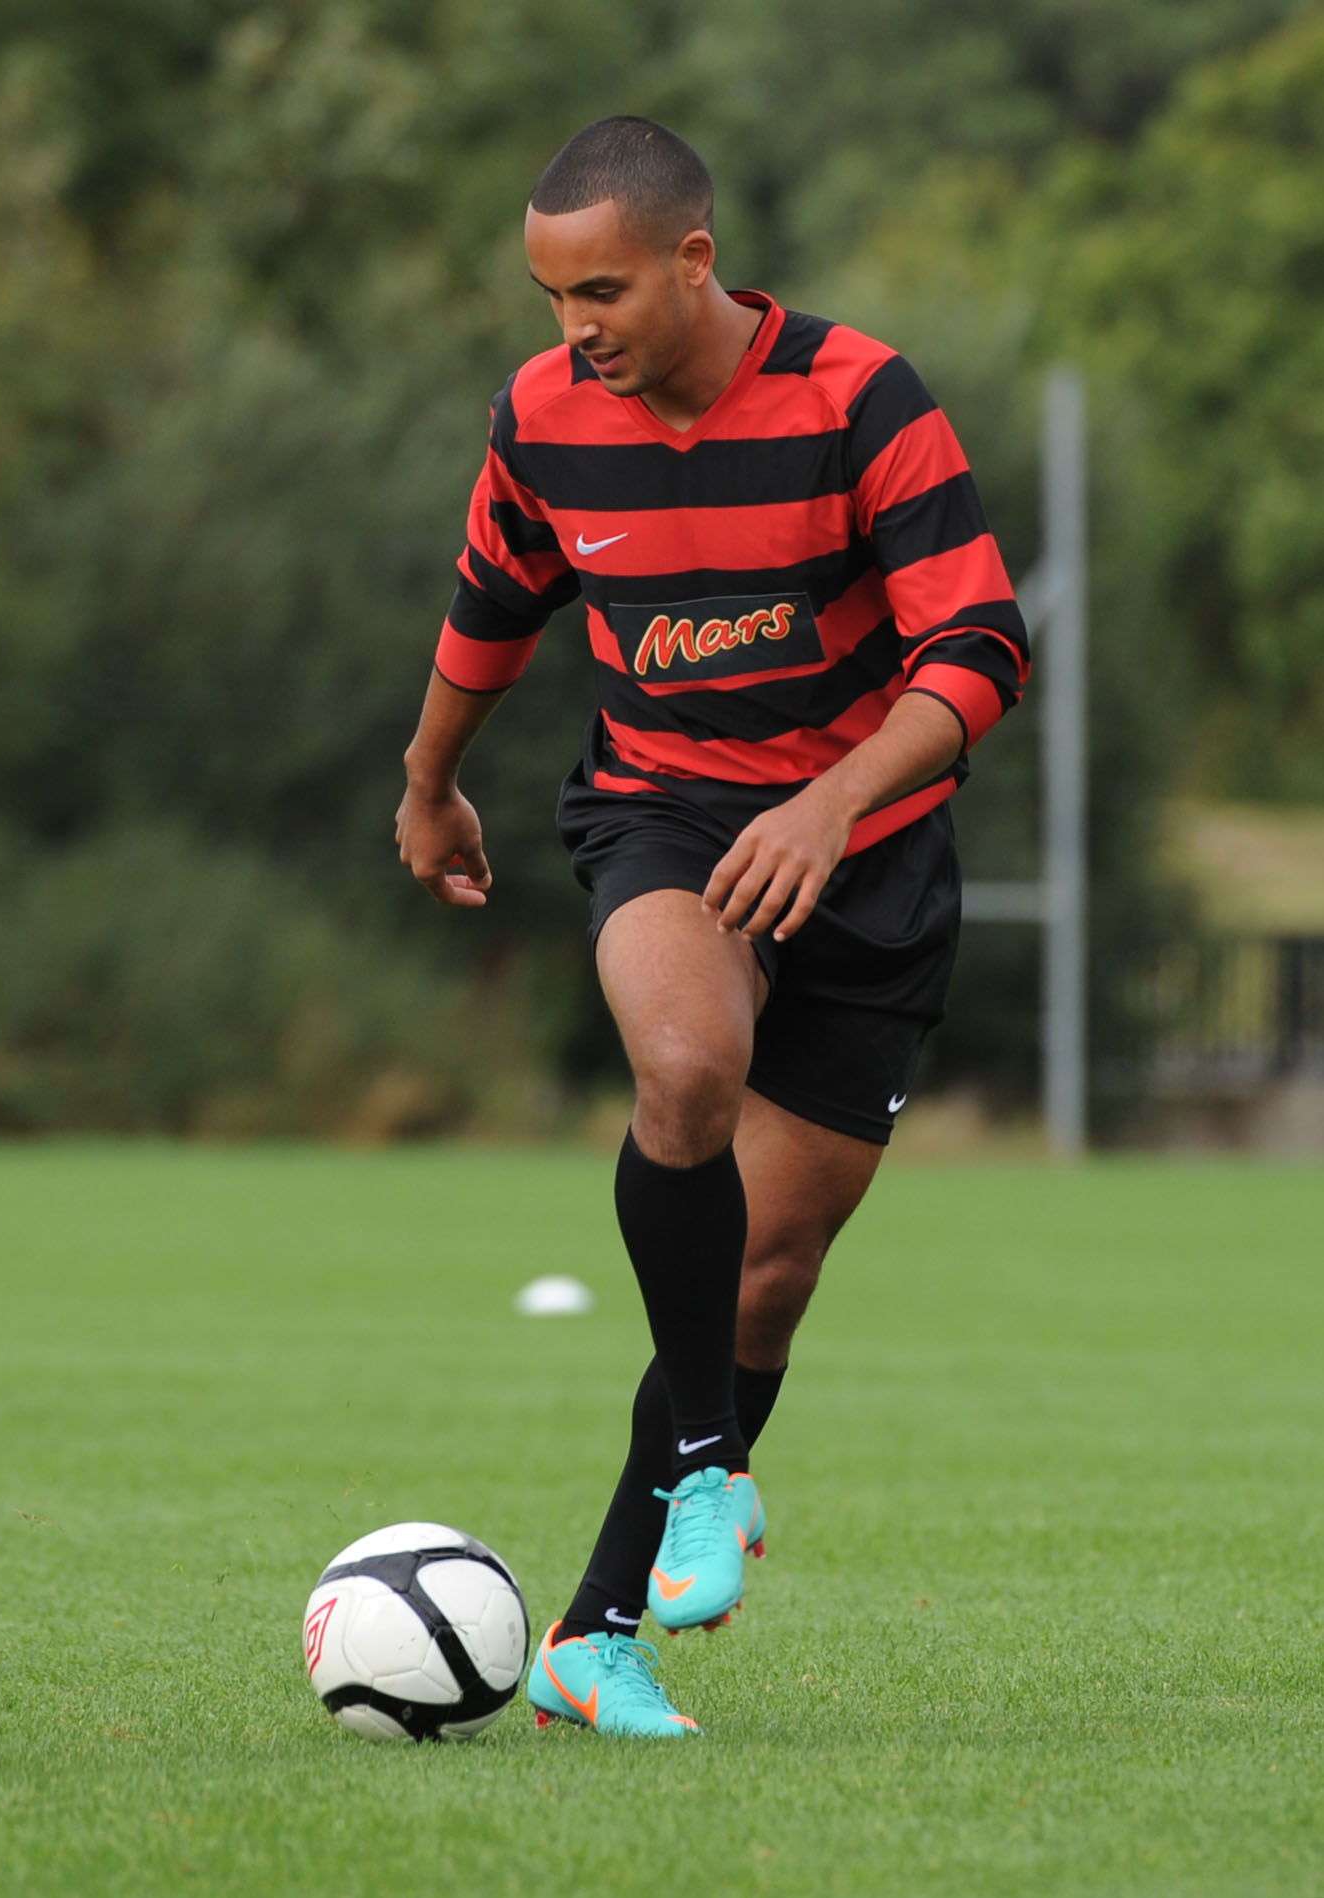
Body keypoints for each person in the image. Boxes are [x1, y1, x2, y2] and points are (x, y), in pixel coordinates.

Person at [396, 116, 1029, 1738]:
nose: (573, 328)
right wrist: (429, 780)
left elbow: (978, 645)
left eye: (599, 290)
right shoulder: (544, 415)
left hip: (870, 855)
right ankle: (703, 1465)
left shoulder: (859, 397)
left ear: (694, 260)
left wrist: (828, 802)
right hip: (660, 813)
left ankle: (592, 1640)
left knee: (767, 1274)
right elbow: (492, 599)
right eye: (550, 298)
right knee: (683, 1065)